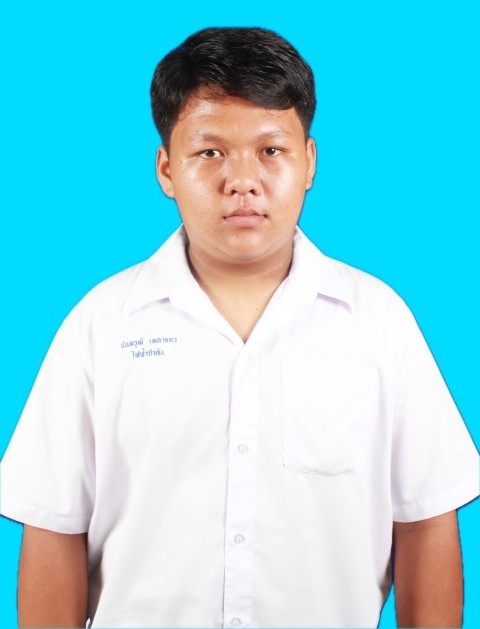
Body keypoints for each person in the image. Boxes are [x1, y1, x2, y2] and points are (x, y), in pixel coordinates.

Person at [1, 26, 478, 629]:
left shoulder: (379, 323)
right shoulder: (100, 325)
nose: (242, 180)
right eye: (210, 153)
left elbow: (427, 518)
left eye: (270, 150)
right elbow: (54, 525)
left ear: (309, 162)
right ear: (166, 169)